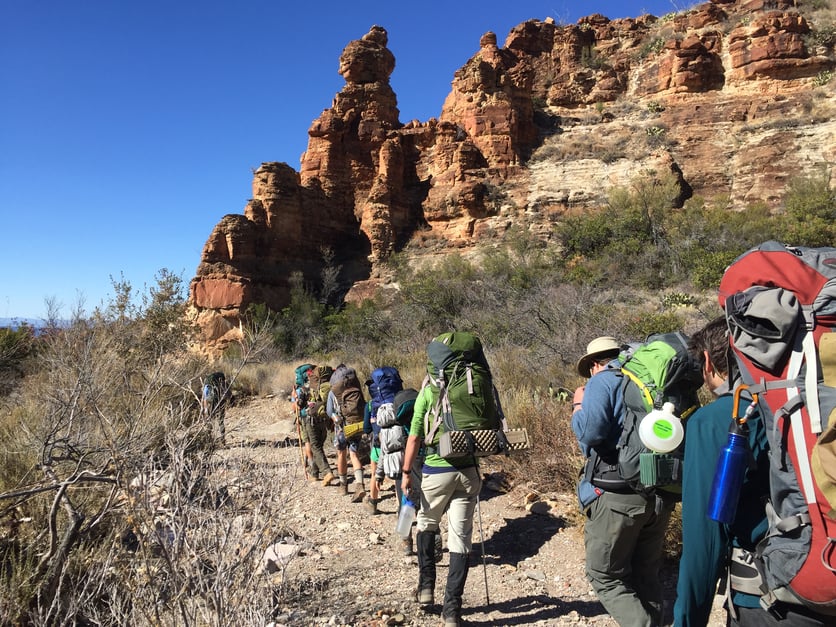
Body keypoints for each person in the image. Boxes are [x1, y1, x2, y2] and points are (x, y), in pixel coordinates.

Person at [673, 317, 827, 626]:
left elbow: (704, 541)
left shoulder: (717, 420)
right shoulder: (819, 405)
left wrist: (687, 621)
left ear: (707, 361)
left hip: (770, 600)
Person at [572, 336, 673, 627]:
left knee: (604, 575)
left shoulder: (602, 381)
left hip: (618, 495)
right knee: (646, 572)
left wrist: (578, 408)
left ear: (593, 364)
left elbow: (589, 439)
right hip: (659, 490)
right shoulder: (651, 378)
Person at [401, 384, 481, 627]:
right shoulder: (472, 385)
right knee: (461, 539)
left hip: (437, 470)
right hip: (468, 471)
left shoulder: (427, 392)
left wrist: (406, 472)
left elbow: (414, 436)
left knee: (426, 523)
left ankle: (426, 588)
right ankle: (452, 612)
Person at [327, 364, 368, 502]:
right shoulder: (354, 385)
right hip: (356, 424)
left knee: (341, 454)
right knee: (354, 454)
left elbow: (329, 410)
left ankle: (343, 485)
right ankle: (360, 485)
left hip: (341, 427)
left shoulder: (334, 390)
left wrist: (335, 418)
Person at [297, 365, 335, 485]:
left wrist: (295, 398)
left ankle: (326, 472)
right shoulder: (319, 386)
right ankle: (315, 473)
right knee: (318, 446)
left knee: (314, 446)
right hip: (323, 418)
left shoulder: (303, 388)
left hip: (309, 419)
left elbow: (297, 406)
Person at [201, 371, 229, 445]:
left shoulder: (207, 385)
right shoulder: (222, 383)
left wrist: (205, 409)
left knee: (209, 421)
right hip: (220, 402)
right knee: (221, 422)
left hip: (210, 404)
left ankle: (208, 440)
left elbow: (205, 398)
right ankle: (223, 440)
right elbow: (227, 394)